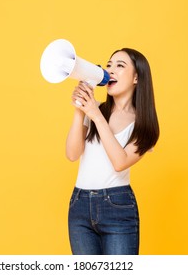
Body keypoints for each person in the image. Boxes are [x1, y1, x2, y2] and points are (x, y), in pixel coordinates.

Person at [65, 48, 159, 255]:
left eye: (120, 65)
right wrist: (79, 111)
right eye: (109, 65)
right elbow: (72, 154)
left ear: (136, 78)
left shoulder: (145, 126)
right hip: (79, 205)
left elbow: (120, 162)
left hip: (117, 207)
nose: (111, 70)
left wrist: (95, 115)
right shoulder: (94, 109)